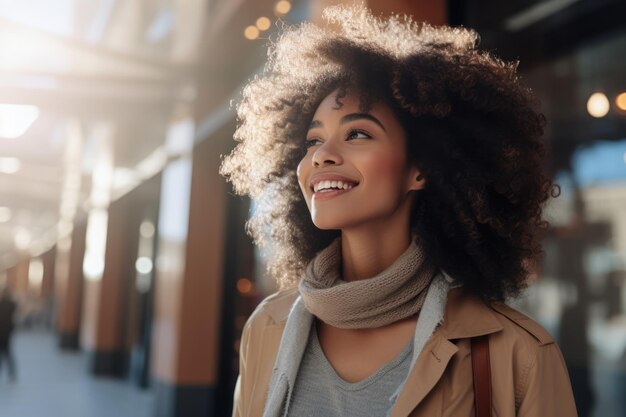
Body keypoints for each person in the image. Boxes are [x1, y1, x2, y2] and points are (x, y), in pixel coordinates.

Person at [221, 4, 577, 417]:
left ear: (421, 168)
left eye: (357, 133)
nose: (321, 157)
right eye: (313, 140)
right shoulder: (266, 328)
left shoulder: (519, 355)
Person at [0, 287, 17, 382]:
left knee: (4, 353)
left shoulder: (2, 304)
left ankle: (10, 372)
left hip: (3, 331)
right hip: (7, 331)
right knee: (7, 352)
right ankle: (11, 372)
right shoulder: (12, 304)